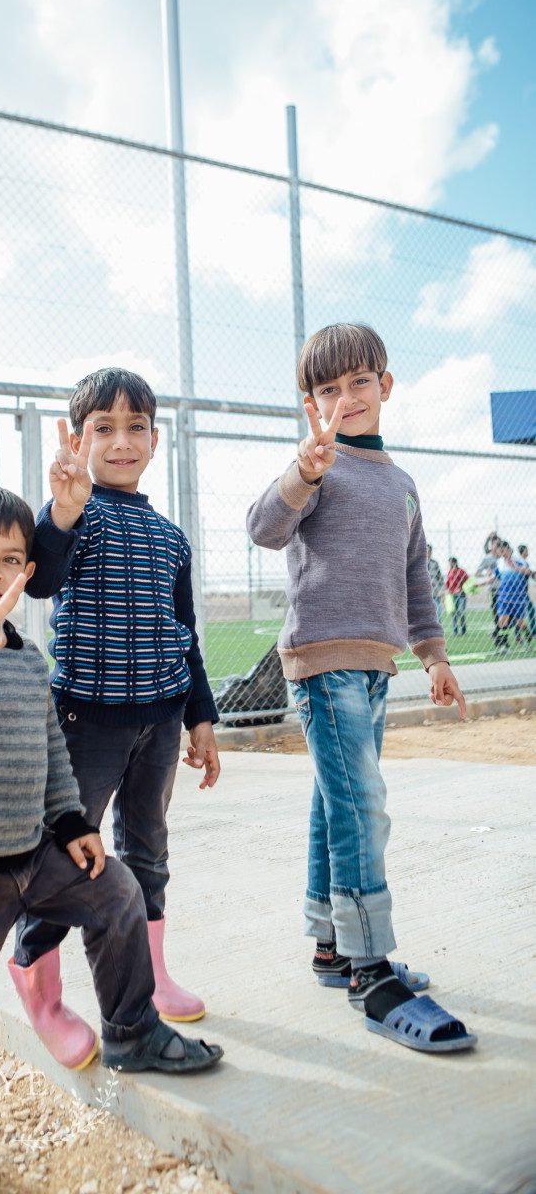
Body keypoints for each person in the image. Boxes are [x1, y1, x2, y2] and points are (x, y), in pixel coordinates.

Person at [0, 485, 222, 1193]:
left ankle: (131, 1032)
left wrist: (70, 821)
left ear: (29, 574)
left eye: (10, 558)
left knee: (119, 893)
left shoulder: (31, 659)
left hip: (29, 854)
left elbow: (47, 749)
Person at [247, 323, 476, 1054]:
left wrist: (432, 654)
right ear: (308, 402)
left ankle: (330, 945)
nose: (343, 399)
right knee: (361, 806)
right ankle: (369, 970)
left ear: (385, 384)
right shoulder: (318, 466)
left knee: (333, 802)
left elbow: (415, 578)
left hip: (377, 666)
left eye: (356, 382)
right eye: (325, 389)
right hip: (321, 662)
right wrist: (301, 473)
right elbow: (262, 527)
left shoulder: (402, 486)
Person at [11, 367, 220, 1069]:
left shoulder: (170, 537)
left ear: (155, 440)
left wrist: (199, 719)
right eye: (104, 428)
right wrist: (61, 510)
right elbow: (40, 578)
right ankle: (40, 991)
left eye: (135, 428)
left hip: (158, 724)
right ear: (78, 438)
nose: (121, 441)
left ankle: (150, 977)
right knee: (66, 856)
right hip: (85, 722)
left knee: (147, 853)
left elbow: (183, 634)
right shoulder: (77, 513)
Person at [445, 558, 469, 637]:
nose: (449, 564)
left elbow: (467, 581)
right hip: (452, 595)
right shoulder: (449, 572)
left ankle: (463, 631)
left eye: (450, 563)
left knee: (461, 612)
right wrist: (447, 590)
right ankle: (455, 631)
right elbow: (447, 583)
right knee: (453, 614)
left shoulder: (461, 571)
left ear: (454, 562)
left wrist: (462, 588)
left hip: (461, 595)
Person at [517, 544, 536, 638]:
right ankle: (532, 632)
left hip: (523, 591)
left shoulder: (524, 563)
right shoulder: (520, 563)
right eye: (526, 551)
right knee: (524, 612)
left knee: (524, 612)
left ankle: (528, 632)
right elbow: (528, 573)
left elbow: (529, 574)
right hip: (520, 592)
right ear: (523, 552)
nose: (528, 552)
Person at [426, 544, 444, 623]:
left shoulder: (435, 563)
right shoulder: (419, 563)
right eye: (426, 551)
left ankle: (437, 630)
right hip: (424, 593)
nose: (428, 553)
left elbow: (440, 578)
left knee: (438, 613)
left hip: (435, 592)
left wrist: (441, 590)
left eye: (429, 551)